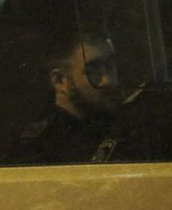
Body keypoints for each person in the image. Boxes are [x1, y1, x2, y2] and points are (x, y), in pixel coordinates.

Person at [8, 29, 138, 163]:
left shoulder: (118, 124)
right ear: (60, 80)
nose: (109, 81)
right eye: (92, 71)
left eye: (110, 66)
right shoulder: (40, 148)